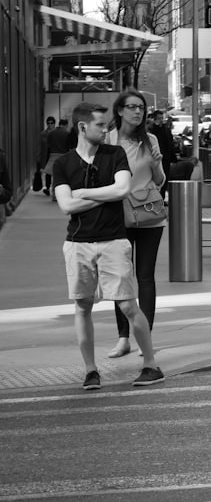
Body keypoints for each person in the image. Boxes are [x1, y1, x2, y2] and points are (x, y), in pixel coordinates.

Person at [51, 102, 164, 390]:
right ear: (82, 127)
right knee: (82, 306)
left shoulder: (115, 154)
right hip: (77, 244)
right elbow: (66, 205)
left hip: (113, 241)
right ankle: (91, 371)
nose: (106, 129)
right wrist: (106, 195)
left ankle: (150, 365)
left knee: (128, 304)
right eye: (100, 125)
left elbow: (123, 189)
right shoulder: (63, 164)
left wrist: (85, 193)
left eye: (106, 124)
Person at [106, 90, 167, 360]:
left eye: (141, 107)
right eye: (131, 107)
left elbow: (161, 180)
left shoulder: (150, 139)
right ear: (119, 110)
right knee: (121, 278)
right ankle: (123, 339)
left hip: (148, 215)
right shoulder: (107, 139)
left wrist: (156, 162)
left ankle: (146, 337)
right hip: (116, 216)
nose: (137, 112)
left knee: (145, 277)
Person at [148, 110, 178, 196]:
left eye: (161, 118)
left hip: (166, 158)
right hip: (156, 157)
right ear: (154, 119)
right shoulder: (152, 130)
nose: (160, 120)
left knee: (165, 178)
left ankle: (162, 196)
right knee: (157, 177)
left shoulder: (166, 129)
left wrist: (173, 158)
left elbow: (170, 143)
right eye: (158, 118)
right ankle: (157, 196)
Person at [43, 118, 71, 200]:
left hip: (53, 155)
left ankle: (54, 194)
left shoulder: (51, 133)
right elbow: (68, 146)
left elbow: (48, 145)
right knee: (62, 177)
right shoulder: (67, 133)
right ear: (66, 125)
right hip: (64, 155)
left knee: (55, 176)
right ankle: (61, 194)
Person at [38, 117, 56, 193]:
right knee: (48, 173)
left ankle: (54, 188)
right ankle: (48, 187)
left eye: (51, 123)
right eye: (48, 123)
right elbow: (40, 146)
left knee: (56, 172)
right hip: (47, 154)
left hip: (54, 153)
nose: (50, 125)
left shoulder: (56, 133)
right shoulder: (43, 134)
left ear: (54, 124)